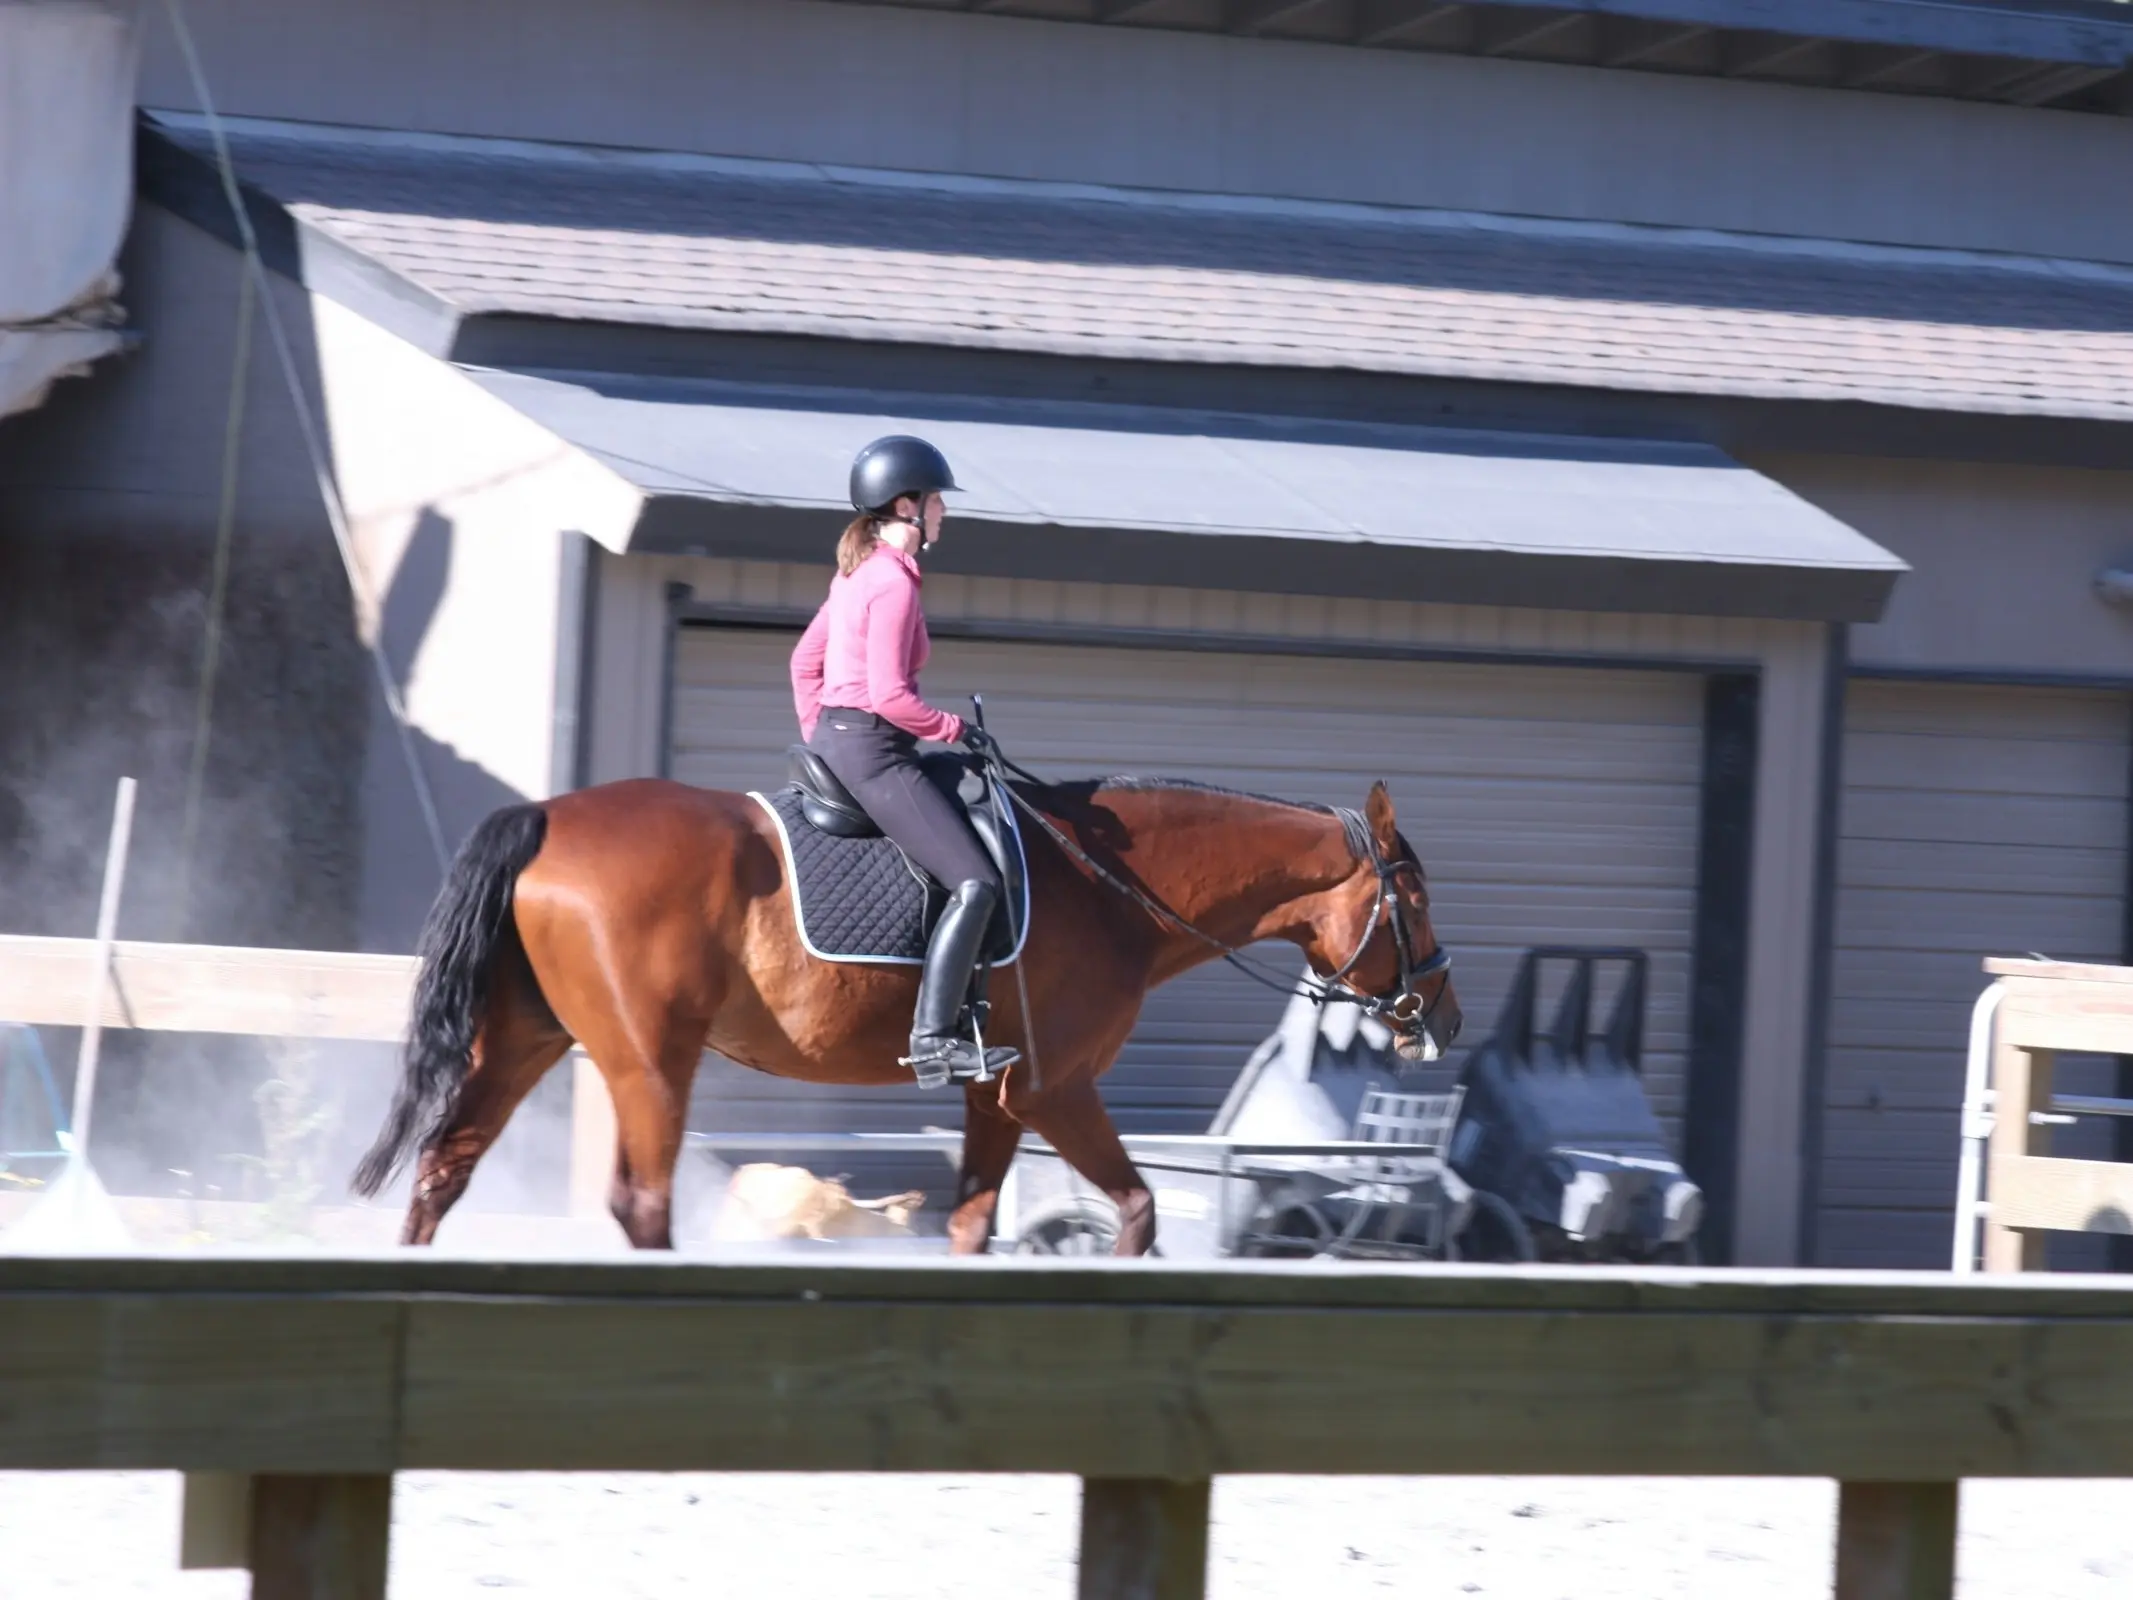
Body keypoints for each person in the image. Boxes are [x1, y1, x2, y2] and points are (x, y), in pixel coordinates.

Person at [790, 436, 1021, 1088]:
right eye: (937, 499)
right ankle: (932, 1041)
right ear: (906, 505)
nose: (944, 511)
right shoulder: (890, 582)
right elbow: (891, 696)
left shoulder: (854, 574)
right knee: (976, 882)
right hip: (874, 749)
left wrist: (826, 734)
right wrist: (955, 729)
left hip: (848, 741)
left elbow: (804, 665)